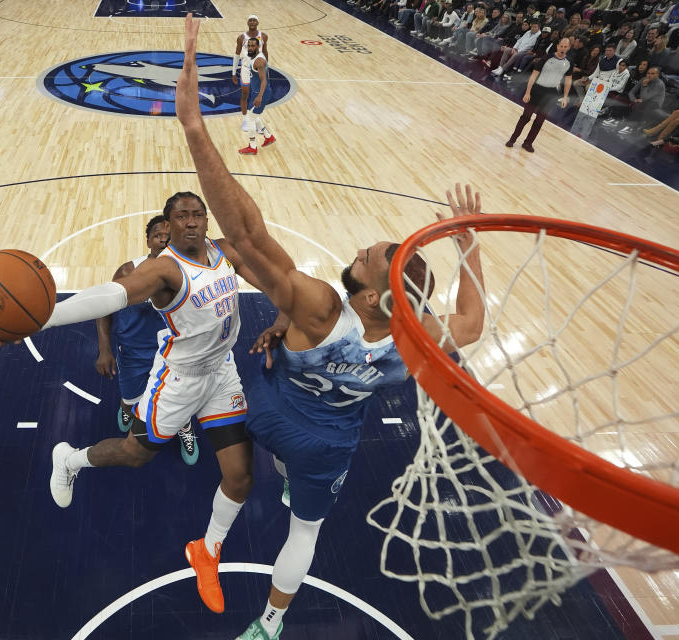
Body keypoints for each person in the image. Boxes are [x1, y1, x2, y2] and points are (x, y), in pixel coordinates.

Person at [175, 14, 486, 640]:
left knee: (214, 369)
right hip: (328, 444)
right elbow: (474, 323)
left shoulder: (320, 306)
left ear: (369, 294)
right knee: (305, 531)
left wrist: (194, 128)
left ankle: (199, 512)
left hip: (266, 407)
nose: (360, 251)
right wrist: (471, 242)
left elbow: (245, 234)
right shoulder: (415, 334)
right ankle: (269, 626)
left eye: (367, 257)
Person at [0, 191, 265, 616]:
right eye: (180, 216)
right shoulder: (163, 269)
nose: (189, 221)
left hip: (222, 373)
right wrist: (41, 317)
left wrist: (290, 315)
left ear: (206, 219)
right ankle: (70, 460)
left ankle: (207, 550)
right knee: (134, 455)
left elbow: (275, 280)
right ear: (168, 226)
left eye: (196, 214)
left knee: (240, 479)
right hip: (178, 381)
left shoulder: (226, 252)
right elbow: (112, 296)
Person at [94, 215, 200, 465]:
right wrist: (104, 349)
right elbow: (103, 308)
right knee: (131, 397)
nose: (163, 241)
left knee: (180, 399)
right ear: (148, 241)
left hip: (175, 354)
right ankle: (128, 407)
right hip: (133, 353)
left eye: (169, 236)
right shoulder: (128, 271)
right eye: (157, 236)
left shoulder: (191, 272)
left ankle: (184, 427)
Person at [505, 37, 573, 152]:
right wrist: (527, 92)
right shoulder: (546, 58)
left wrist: (565, 97)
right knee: (525, 117)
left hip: (551, 94)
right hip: (537, 90)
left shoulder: (569, 62)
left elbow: (568, 80)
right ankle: (513, 139)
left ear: (569, 48)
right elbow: (533, 75)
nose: (563, 48)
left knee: (539, 121)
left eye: (565, 47)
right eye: (561, 46)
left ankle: (528, 143)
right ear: (557, 46)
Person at [238, 37, 276, 155]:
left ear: (258, 47)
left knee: (249, 118)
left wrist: (259, 96)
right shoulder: (255, 57)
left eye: (253, 46)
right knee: (255, 116)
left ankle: (252, 146)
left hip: (261, 93)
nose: (250, 48)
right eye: (248, 45)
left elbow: (264, 80)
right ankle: (268, 137)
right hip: (258, 91)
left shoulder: (259, 61)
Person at [232, 15, 268, 132]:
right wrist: (233, 72)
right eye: (250, 20)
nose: (252, 22)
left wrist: (267, 68)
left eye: (254, 20)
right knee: (245, 95)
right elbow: (237, 55)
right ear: (247, 22)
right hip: (246, 69)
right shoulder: (241, 37)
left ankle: (254, 120)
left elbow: (265, 52)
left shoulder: (263, 36)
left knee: (256, 95)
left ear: (258, 22)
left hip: (257, 69)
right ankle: (245, 120)